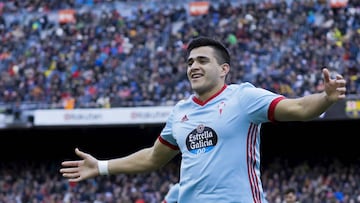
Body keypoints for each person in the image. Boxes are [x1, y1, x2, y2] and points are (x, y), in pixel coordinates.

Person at [59, 36, 347, 202]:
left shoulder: (243, 98)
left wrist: (325, 98)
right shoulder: (180, 112)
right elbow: (152, 158)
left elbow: (297, 109)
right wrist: (102, 166)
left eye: (202, 61)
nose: (193, 66)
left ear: (224, 69)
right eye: (190, 62)